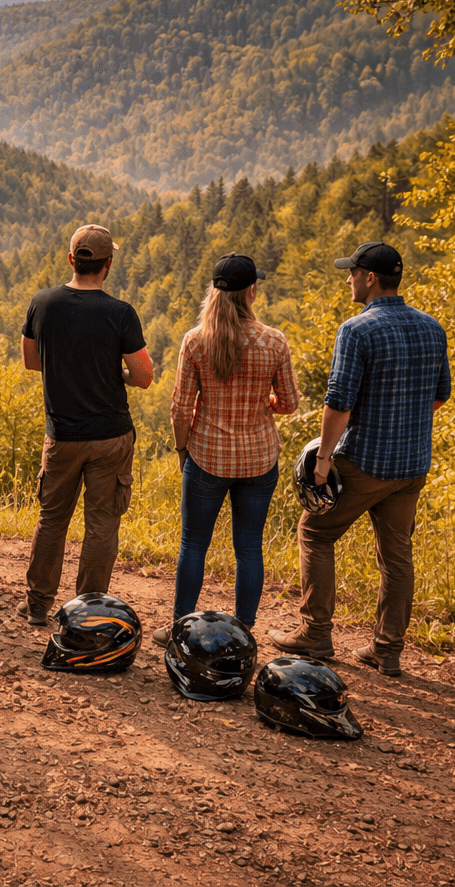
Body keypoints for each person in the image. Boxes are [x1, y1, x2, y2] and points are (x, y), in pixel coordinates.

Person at [268, 241, 450, 677]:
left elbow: (339, 401)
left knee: (315, 532)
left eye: (351, 272)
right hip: (411, 465)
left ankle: (315, 633)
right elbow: (440, 395)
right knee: (397, 555)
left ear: (370, 278)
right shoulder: (432, 328)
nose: (347, 278)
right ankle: (387, 650)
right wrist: (406, 425)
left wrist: (324, 458)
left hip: (366, 460)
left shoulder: (358, 329)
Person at [157, 253, 298, 646]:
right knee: (249, 547)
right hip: (258, 457)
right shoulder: (274, 341)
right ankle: (244, 632)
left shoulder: (196, 340)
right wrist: (264, 402)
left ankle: (180, 628)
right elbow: (288, 403)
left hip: (206, 456)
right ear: (252, 290)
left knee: (193, 544)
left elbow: (181, 406)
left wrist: (182, 449)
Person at [18, 224, 153, 626]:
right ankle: (86, 612)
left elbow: (30, 360)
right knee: (101, 525)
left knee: (52, 519)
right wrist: (117, 374)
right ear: (108, 264)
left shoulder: (42, 304)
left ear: (71, 259)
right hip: (110, 435)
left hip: (61, 435)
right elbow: (143, 376)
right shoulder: (120, 313)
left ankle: (37, 604)